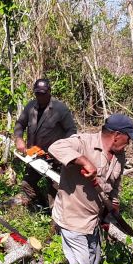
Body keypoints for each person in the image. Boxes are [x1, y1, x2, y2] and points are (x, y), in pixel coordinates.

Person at [48, 114, 133, 264]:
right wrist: (83, 161)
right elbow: (55, 147)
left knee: (94, 262)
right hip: (72, 218)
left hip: (94, 219)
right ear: (117, 135)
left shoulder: (119, 156)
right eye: (128, 138)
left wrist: (114, 203)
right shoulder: (83, 142)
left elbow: (115, 185)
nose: (129, 143)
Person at [13, 78, 77, 207]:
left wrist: (64, 151)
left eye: (43, 93)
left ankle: (53, 215)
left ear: (49, 92)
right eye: (37, 94)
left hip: (55, 158)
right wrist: (19, 138)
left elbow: (71, 131)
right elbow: (20, 123)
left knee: (54, 190)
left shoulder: (60, 109)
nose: (40, 96)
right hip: (34, 156)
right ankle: (40, 206)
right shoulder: (31, 106)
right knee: (27, 184)